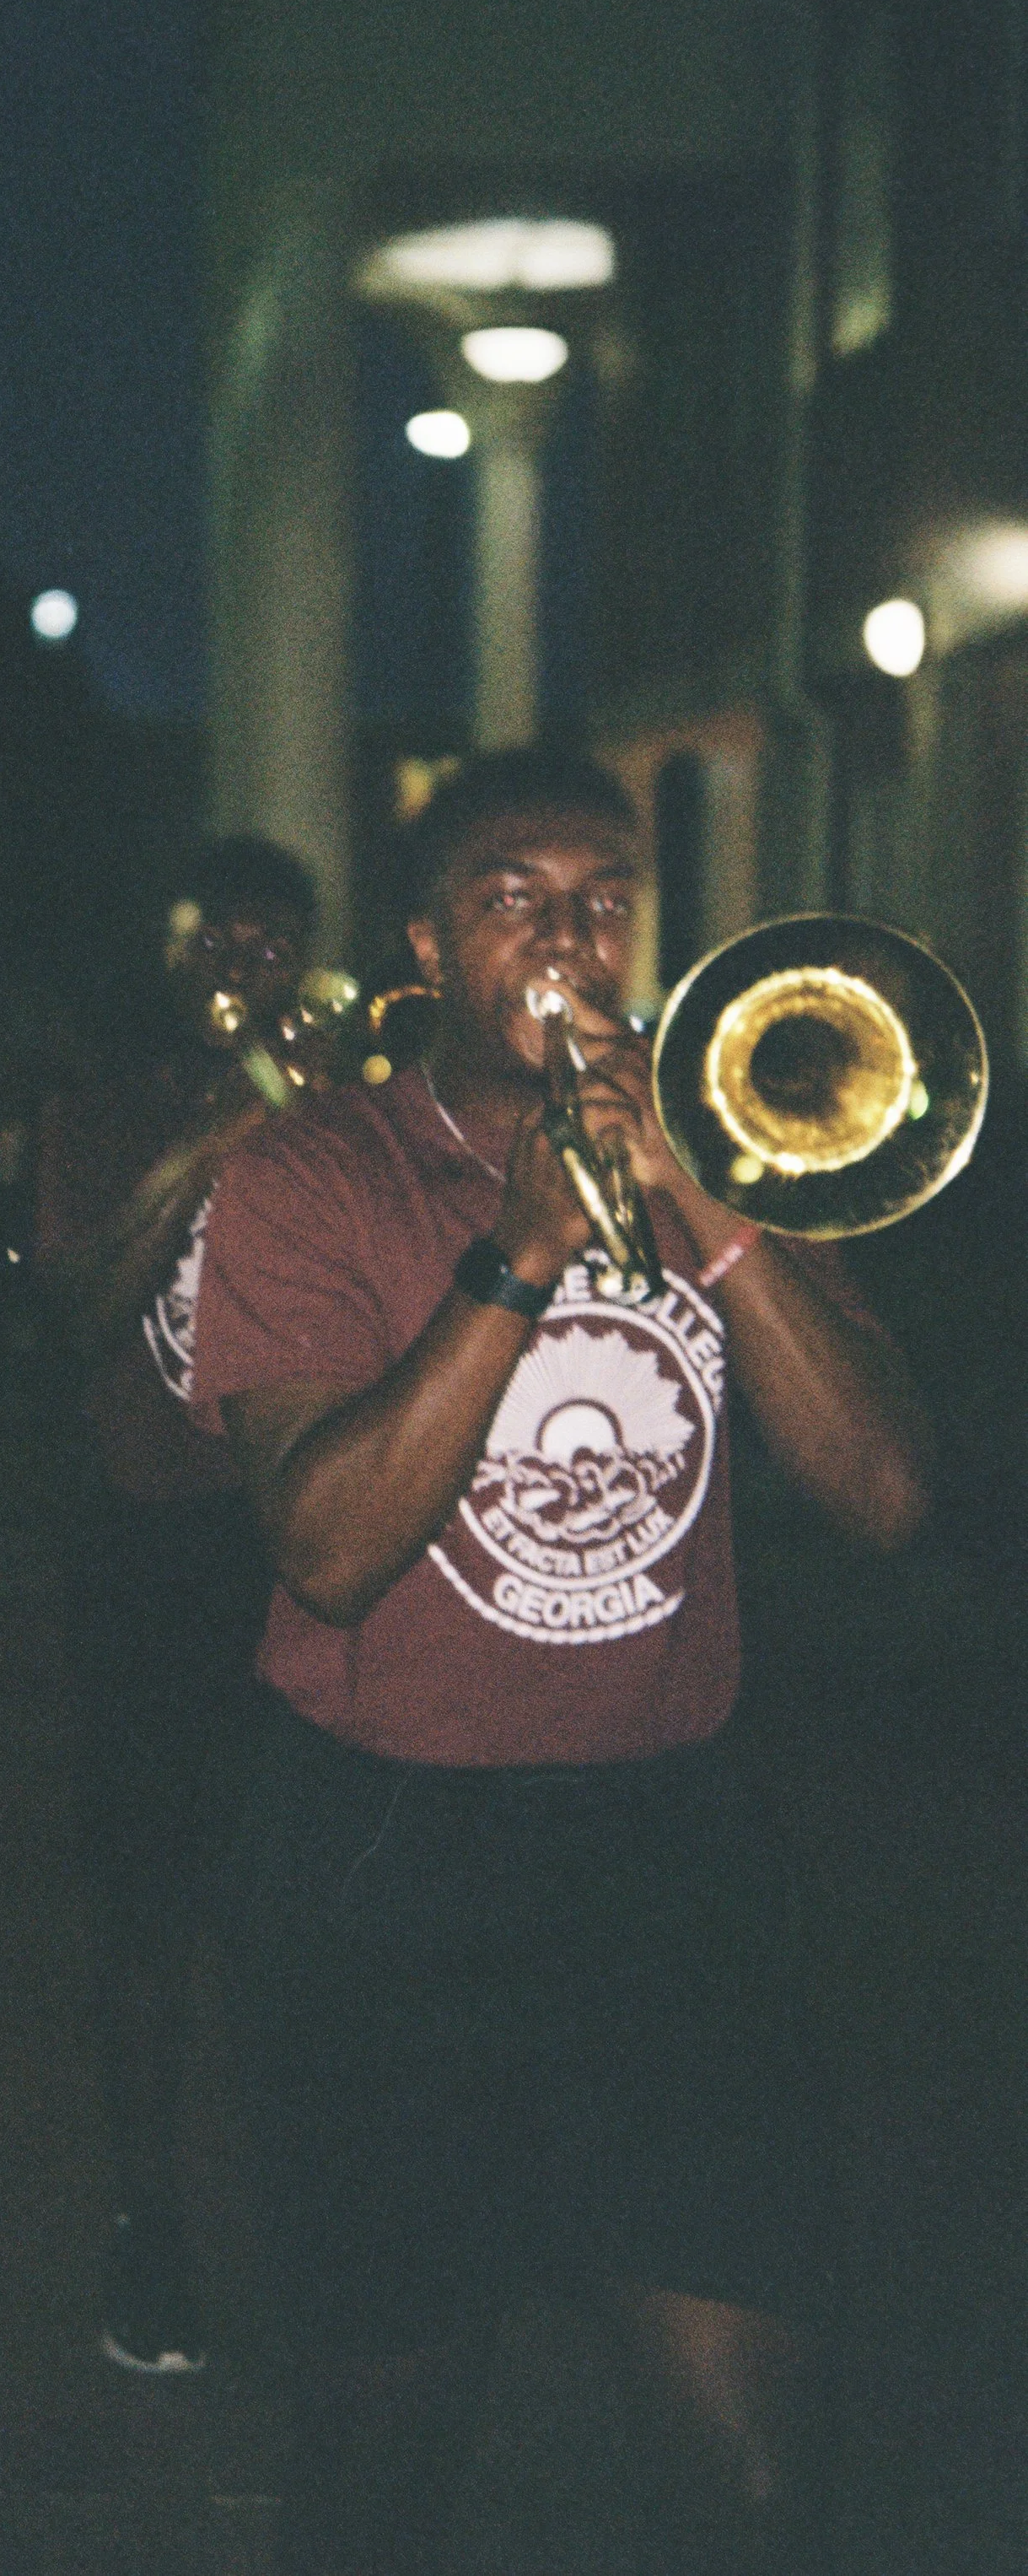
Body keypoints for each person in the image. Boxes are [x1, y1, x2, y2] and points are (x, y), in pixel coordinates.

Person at [189, 751, 930, 2574]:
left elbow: (886, 1494)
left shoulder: (727, 1152)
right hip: (383, 1857)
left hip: (668, 1855)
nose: (568, 940)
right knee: (384, 2440)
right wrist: (516, 1249)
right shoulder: (306, 1179)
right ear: (431, 943)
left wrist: (706, 1208)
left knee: (756, 2467)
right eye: (515, 897)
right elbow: (330, 1545)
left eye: (603, 897)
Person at [34, 835, 319, 2373]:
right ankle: (148, 2222)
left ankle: (318, 2225)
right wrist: (202, 1152)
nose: (244, 972)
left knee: (311, 1910)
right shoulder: (97, 1113)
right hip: (153, 1544)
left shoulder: (354, 1114)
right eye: (219, 944)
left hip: (319, 1538)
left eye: (273, 948)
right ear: (171, 951)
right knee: (152, 1914)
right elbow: (77, 1318)